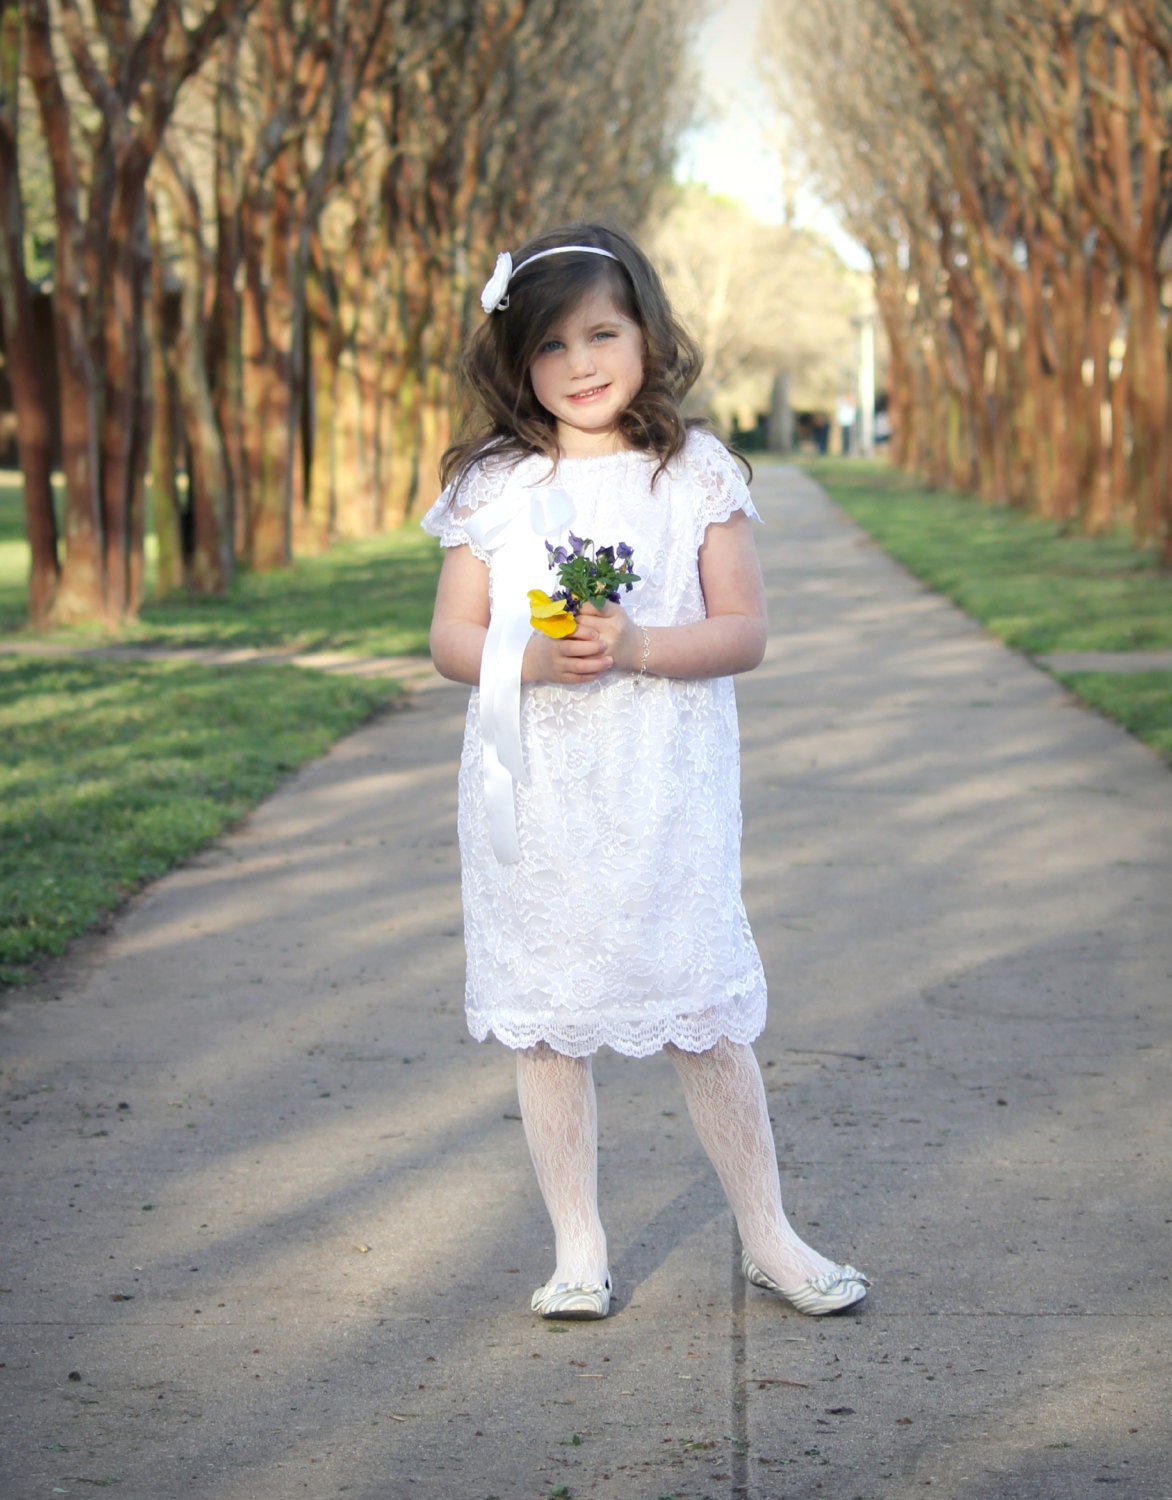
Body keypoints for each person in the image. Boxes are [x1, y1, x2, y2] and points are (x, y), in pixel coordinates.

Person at [423, 223, 870, 1321]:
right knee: (547, 1018)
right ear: (514, 361)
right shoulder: (493, 483)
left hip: (662, 790)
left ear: (645, 333)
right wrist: (532, 659)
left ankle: (768, 1234)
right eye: (550, 347)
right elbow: (448, 640)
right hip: (536, 788)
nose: (579, 365)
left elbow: (742, 629)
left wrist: (637, 648)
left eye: (601, 333)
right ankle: (577, 1245)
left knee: (700, 1010)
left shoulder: (690, 471)